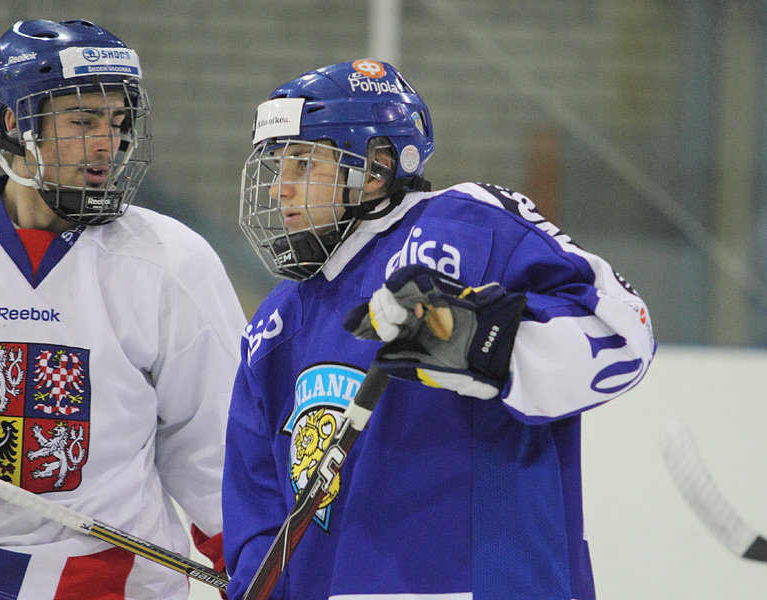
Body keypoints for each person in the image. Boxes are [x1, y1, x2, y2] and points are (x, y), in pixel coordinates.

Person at [223, 59, 656, 600]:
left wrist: (475, 340)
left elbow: (624, 331)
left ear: (376, 164)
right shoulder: (274, 325)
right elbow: (258, 516)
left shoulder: (463, 227)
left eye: (304, 165)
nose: (279, 191)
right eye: (277, 167)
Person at [0, 19, 245, 600]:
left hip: (115, 589)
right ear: (15, 122)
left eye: (117, 122)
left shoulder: (173, 262)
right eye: (83, 120)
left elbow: (221, 460)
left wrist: (265, 573)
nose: (107, 143)